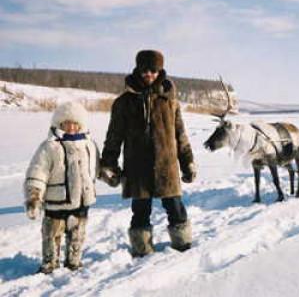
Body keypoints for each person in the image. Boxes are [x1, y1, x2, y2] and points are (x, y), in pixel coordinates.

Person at [99, 49, 196, 257]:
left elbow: (180, 135)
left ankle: (184, 247)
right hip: (137, 166)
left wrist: (188, 161)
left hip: (166, 165)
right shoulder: (124, 102)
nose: (148, 74)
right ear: (138, 70)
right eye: (145, 70)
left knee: (176, 208)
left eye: (153, 70)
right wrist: (109, 164)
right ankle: (142, 250)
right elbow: (114, 136)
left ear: (159, 71)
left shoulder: (170, 101)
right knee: (140, 211)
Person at [24, 101, 99, 273]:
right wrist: (34, 196)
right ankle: (50, 263)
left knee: (77, 235)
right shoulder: (49, 146)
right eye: (67, 123)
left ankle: (74, 262)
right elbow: (38, 172)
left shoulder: (89, 145)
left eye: (75, 123)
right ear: (59, 123)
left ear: (81, 125)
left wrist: (109, 174)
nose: (71, 127)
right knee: (51, 235)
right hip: (56, 201)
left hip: (81, 200)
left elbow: (96, 168)